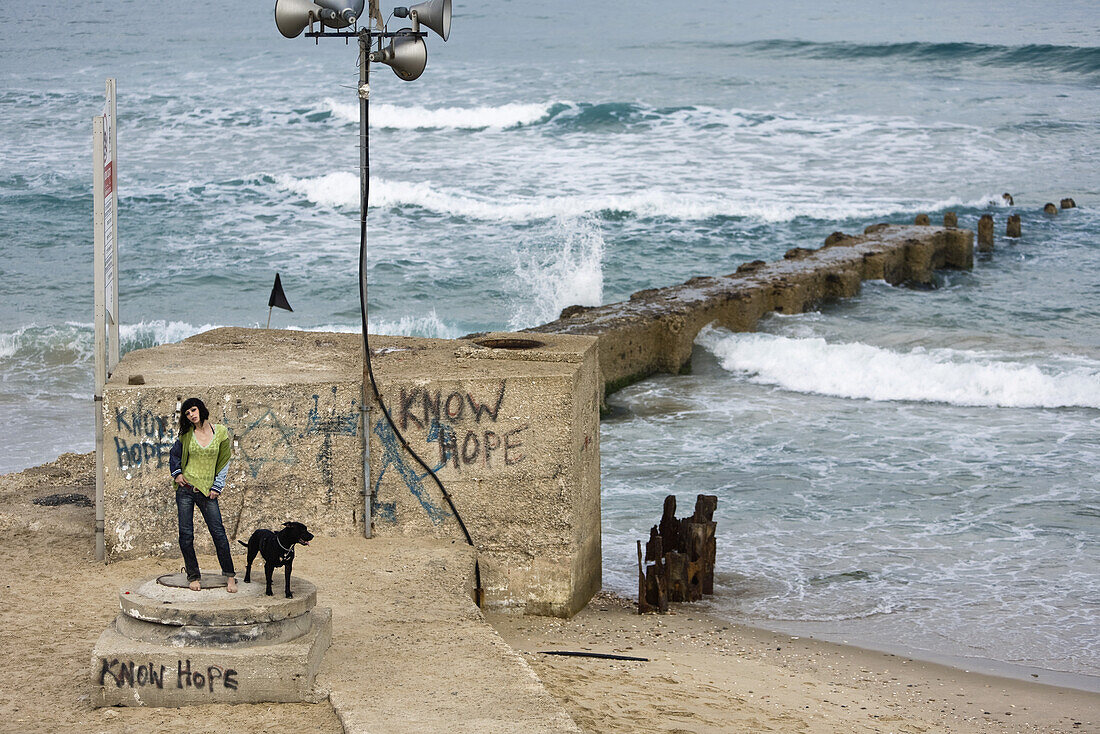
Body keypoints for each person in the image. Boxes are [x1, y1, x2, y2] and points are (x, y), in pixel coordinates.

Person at [168, 397, 238, 592]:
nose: (191, 415)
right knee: (186, 535)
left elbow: (224, 461)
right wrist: (178, 474)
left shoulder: (221, 432)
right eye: (187, 413)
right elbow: (174, 456)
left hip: (208, 492)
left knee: (219, 534)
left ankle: (230, 576)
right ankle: (193, 575)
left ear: (201, 409)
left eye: (193, 410)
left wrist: (217, 486)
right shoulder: (186, 435)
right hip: (186, 491)